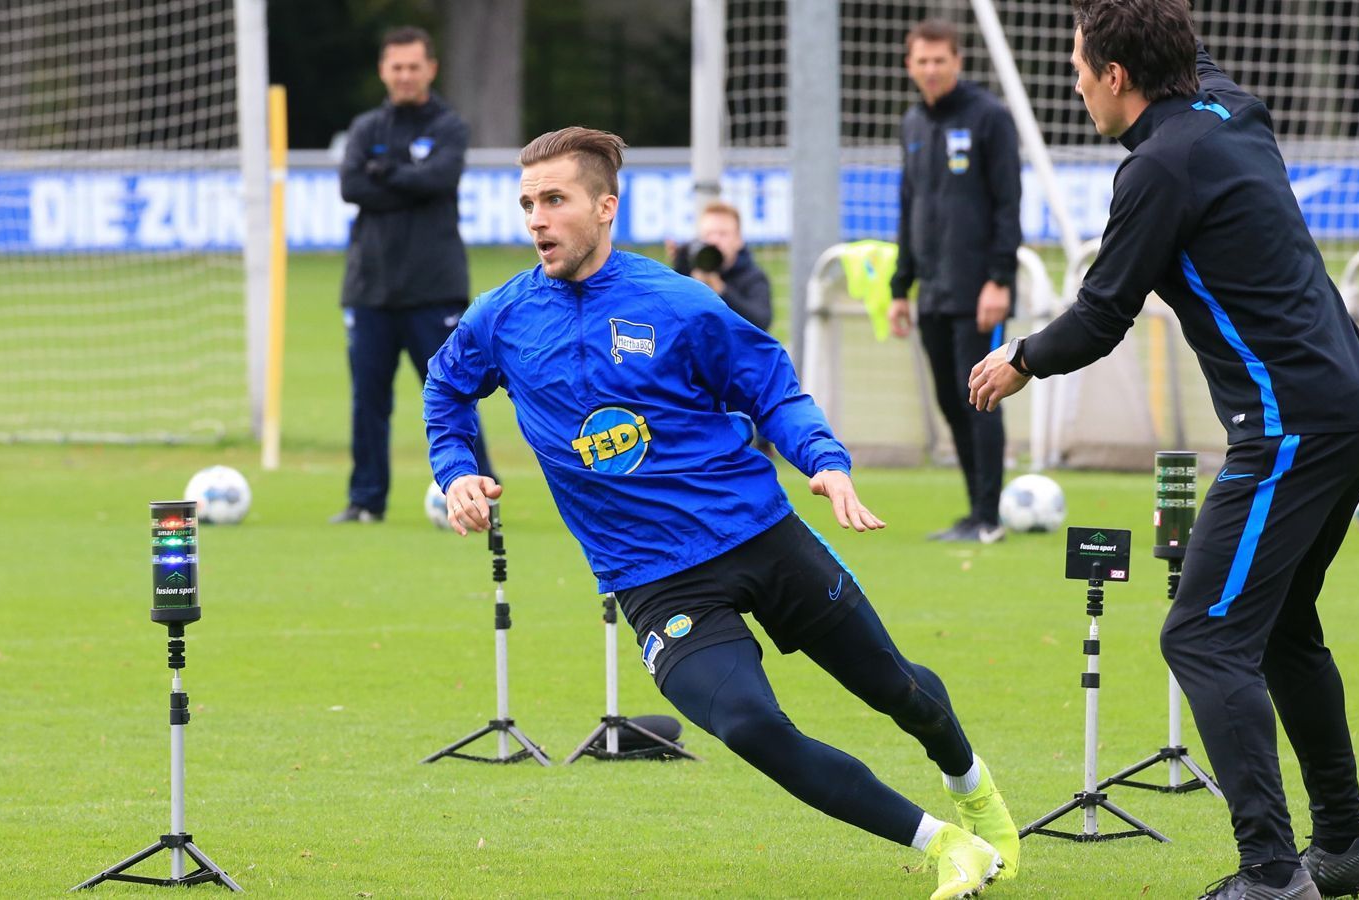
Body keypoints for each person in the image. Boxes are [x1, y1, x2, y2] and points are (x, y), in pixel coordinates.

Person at [425, 127, 1020, 900]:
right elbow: (445, 388)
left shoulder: (677, 304)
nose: (537, 219)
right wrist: (458, 469)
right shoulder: (502, 317)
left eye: (555, 200)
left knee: (894, 687)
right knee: (749, 725)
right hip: (655, 582)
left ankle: (974, 789)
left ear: (606, 206)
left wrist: (825, 462)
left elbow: (770, 384)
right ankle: (947, 845)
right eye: (528, 203)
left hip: (759, 536)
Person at [969, 3, 1359, 898]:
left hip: (1294, 427)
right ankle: (1347, 847)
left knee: (1202, 637)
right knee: (1278, 627)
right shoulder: (1228, 108)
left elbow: (1099, 316)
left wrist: (1019, 359)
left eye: (1081, 64)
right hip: (1357, 409)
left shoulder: (1156, 170)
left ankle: (1274, 874)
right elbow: (1184, 52)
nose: (1074, 81)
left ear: (1117, 77)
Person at [332, 26, 493, 523]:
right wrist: (406, 181)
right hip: (370, 289)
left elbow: (439, 179)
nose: (404, 75)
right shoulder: (365, 128)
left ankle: (481, 494)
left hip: (434, 289)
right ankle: (366, 502)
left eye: (413, 66)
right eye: (395, 66)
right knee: (368, 402)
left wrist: (387, 174)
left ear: (431, 69)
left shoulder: (449, 126)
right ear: (384, 70)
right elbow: (352, 187)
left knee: (453, 393)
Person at [889, 18, 1022, 545]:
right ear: (909, 66)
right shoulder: (913, 124)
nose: (930, 69)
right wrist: (901, 288)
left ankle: (989, 518)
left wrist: (999, 279)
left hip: (978, 292)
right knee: (950, 399)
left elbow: (1008, 204)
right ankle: (974, 512)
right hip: (933, 292)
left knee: (980, 397)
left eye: (939, 59)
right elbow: (907, 207)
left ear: (957, 61)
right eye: (921, 60)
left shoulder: (990, 118)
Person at [666, 201, 774, 331]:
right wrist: (680, 272)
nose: (714, 241)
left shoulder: (753, 277)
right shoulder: (689, 269)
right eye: (708, 234)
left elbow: (761, 323)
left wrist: (721, 290)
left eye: (723, 234)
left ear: (738, 239)